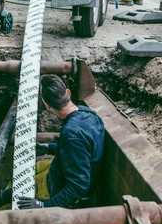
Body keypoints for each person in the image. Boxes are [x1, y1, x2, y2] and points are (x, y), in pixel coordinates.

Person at [12, 75, 105, 210]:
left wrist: (44, 205)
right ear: (68, 92)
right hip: (62, 174)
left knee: (14, 201)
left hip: (58, 193)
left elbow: (78, 187)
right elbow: (83, 151)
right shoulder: (88, 114)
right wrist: (48, 147)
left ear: (47, 106)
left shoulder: (71, 134)